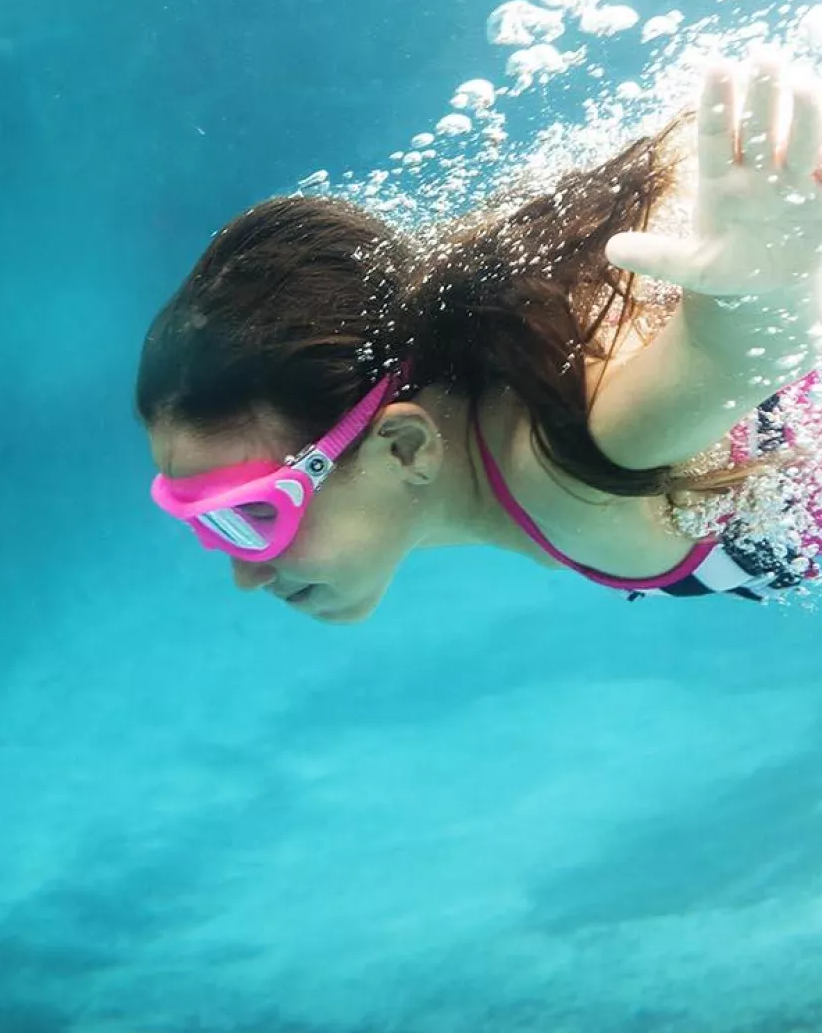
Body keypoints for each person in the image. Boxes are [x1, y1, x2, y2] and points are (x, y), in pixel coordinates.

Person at [138, 50, 822, 623]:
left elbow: (727, 350)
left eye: (252, 516)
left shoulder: (558, 460)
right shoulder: (485, 409)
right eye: (211, 525)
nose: (244, 576)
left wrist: (757, 290)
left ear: (404, 448)